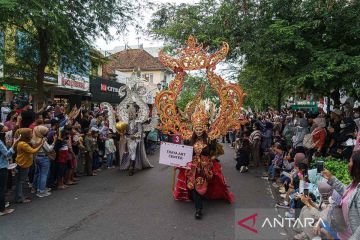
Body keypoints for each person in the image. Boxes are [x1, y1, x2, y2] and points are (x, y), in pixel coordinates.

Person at [173, 107, 234, 219]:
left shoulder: (210, 139)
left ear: (204, 127)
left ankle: (199, 200)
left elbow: (216, 153)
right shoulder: (188, 140)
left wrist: (210, 160)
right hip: (192, 167)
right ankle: (198, 209)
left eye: (200, 128)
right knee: (194, 186)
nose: (199, 130)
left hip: (206, 167)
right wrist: (177, 161)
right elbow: (184, 154)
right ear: (194, 128)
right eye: (196, 128)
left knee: (202, 185)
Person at [322, 151, 360, 240]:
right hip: (341, 233)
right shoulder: (355, 184)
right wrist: (331, 178)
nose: (348, 164)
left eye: (350, 161)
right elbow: (346, 193)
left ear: (357, 166)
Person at [120, 104, 153, 176]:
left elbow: (140, 132)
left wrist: (134, 136)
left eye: (132, 113)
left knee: (133, 153)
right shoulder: (126, 123)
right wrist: (123, 134)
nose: (131, 115)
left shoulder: (138, 122)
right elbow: (124, 131)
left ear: (135, 113)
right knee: (129, 153)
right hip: (128, 140)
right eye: (129, 113)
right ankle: (128, 164)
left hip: (135, 140)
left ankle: (131, 167)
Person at [15, 128, 44, 203]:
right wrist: (42, 144)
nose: (32, 135)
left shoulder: (22, 142)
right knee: (21, 182)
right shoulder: (23, 144)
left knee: (19, 182)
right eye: (31, 133)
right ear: (26, 135)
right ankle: (20, 198)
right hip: (23, 164)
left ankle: (20, 196)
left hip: (22, 163)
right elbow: (33, 151)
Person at [0, 124, 19, 216]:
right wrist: (14, 143)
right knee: (2, 188)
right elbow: (7, 154)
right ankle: (2, 209)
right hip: (1, 167)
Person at [32, 125, 57, 198]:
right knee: (43, 175)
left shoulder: (33, 139)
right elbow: (49, 149)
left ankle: (39, 189)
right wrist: (54, 141)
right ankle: (41, 191)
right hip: (43, 158)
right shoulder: (42, 140)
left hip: (37, 157)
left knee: (39, 174)